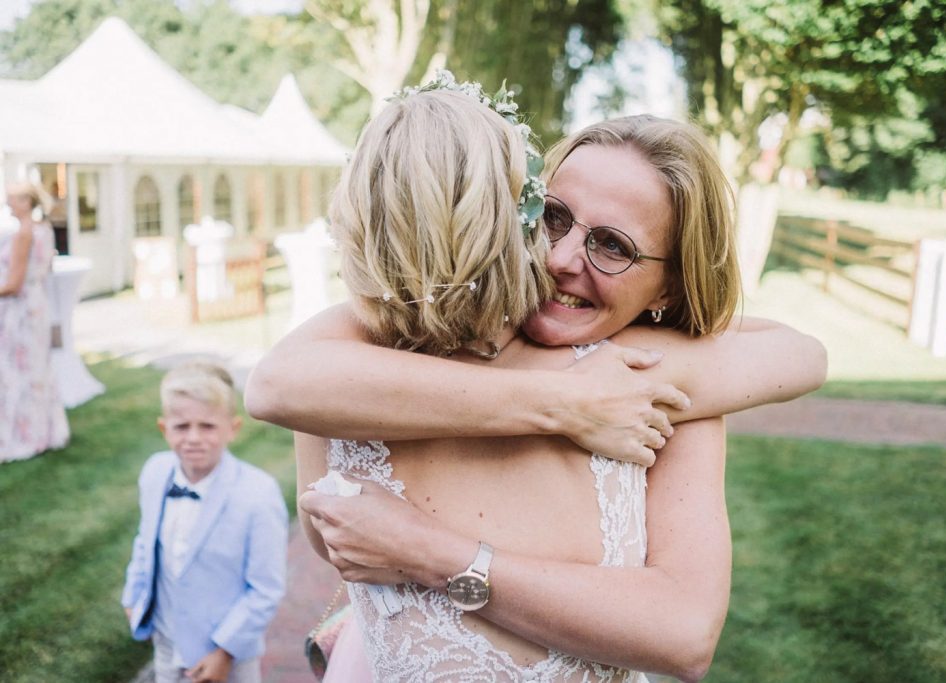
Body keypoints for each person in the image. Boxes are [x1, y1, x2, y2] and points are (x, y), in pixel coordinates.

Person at [247, 74, 826, 681]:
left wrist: (430, 555)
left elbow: (683, 635)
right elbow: (275, 385)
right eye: (552, 216)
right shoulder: (358, 364)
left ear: (672, 283)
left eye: (612, 246)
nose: (559, 260)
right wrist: (563, 402)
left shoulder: (653, 381)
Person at [122, 362, 288, 683]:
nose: (194, 438)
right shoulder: (155, 472)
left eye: (208, 426)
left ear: (233, 428)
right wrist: (133, 595)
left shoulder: (257, 493)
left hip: (225, 653)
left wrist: (225, 651)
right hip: (167, 640)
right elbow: (145, 542)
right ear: (163, 428)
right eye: (182, 426)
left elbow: (266, 588)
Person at [0, 181, 69, 463]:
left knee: (17, 374)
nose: (8, 204)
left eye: (13, 200)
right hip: (38, 305)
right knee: (37, 371)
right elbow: (46, 269)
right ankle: (44, 433)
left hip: (20, 311)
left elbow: (14, 284)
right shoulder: (45, 229)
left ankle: (24, 435)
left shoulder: (24, 233)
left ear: (27, 202)